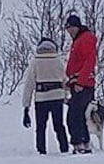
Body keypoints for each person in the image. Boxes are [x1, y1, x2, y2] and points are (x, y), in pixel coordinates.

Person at [21, 37, 69, 155]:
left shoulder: (35, 61)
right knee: (59, 125)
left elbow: (29, 84)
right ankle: (64, 148)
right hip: (57, 97)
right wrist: (66, 95)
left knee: (41, 126)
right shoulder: (59, 60)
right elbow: (66, 80)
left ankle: (41, 150)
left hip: (41, 98)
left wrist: (26, 106)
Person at [64, 15, 97, 154]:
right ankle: (84, 142)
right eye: (68, 29)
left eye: (71, 28)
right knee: (78, 115)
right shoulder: (79, 40)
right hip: (77, 82)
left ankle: (80, 143)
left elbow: (89, 62)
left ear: (77, 27)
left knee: (74, 115)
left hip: (82, 84)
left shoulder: (85, 39)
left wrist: (80, 82)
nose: (69, 31)